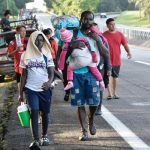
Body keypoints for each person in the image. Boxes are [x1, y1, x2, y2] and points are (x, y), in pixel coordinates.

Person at [62, 10, 108, 141]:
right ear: (81, 19)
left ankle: (91, 119)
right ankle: (84, 131)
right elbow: (64, 51)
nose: (88, 22)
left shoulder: (96, 34)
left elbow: (106, 53)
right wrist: (72, 45)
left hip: (92, 73)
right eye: (85, 19)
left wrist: (98, 41)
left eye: (90, 19)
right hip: (75, 74)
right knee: (80, 103)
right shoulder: (74, 34)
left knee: (94, 102)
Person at [18, 31, 54, 149]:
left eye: (41, 40)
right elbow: (23, 75)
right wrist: (21, 93)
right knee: (34, 111)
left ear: (44, 41)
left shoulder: (47, 54)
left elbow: (51, 72)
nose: (39, 42)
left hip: (45, 89)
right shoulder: (25, 55)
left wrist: (49, 83)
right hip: (30, 89)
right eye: (36, 40)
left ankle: (44, 136)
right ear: (32, 41)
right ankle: (36, 140)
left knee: (45, 113)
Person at [103, 18, 132, 100]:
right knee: (108, 76)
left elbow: (125, 44)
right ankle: (109, 94)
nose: (113, 26)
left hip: (116, 59)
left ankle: (115, 93)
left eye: (114, 24)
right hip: (107, 60)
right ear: (107, 25)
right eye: (111, 24)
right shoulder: (104, 35)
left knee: (115, 77)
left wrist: (129, 52)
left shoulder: (120, 34)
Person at [90, 23, 112, 115]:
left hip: (100, 67)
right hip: (88, 67)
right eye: (92, 30)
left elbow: (107, 55)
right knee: (91, 87)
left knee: (100, 87)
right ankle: (92, 105)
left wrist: (109, 68)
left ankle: (99, 107)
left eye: (95, 30)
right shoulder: (86, 39)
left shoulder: (103, 40)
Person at [7, 25, 28, 93]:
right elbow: (9, 55)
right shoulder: (13, 42)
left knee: (28, 85)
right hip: (18, 67)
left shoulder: (28, 40)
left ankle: (28, 101)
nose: (24, 33)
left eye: (25, 31)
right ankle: (22, 101)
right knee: (20, 84)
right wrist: (16, 50)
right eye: (22, 31)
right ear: (17, 32)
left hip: (28, 66)